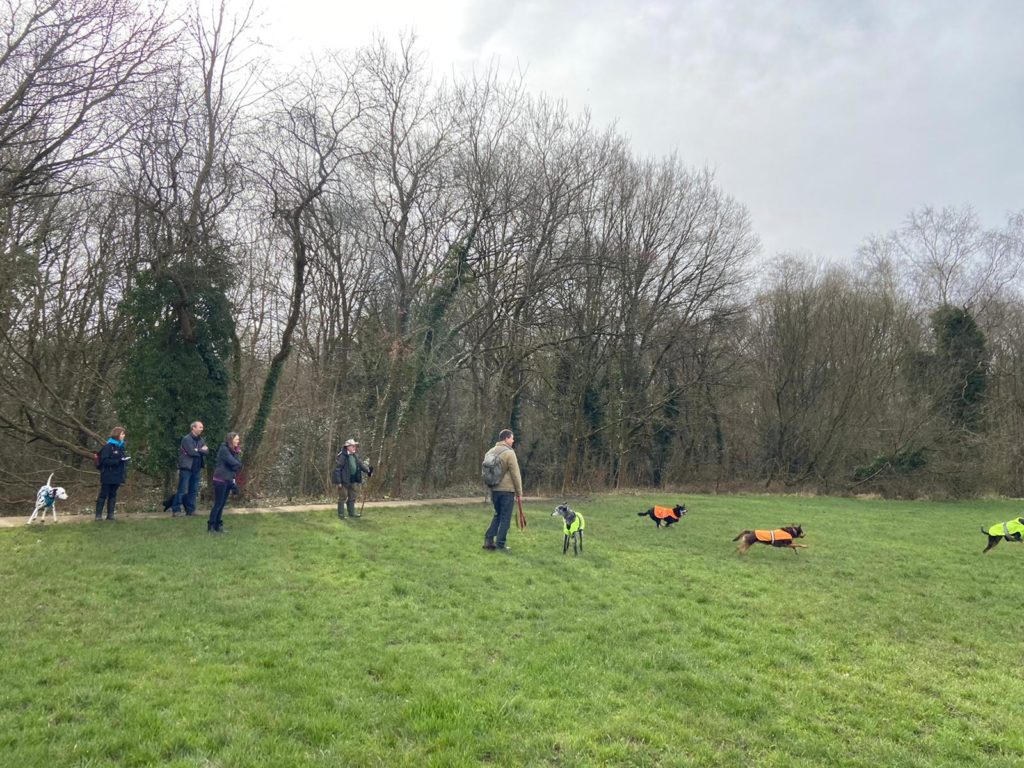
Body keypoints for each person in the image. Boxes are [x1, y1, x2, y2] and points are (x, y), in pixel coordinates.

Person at [482, 429, 523, 552]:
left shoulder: (489, 451)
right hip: (507, 491)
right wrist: (519, 493)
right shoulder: (509, 453)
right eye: (512, 438)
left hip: (494, 489)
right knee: (505, 517)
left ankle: (489, 540)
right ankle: (500, 544)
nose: (513, 440)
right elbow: (516, 474)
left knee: (498, 514)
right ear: (506, 439)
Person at [170, 421, 209, 517]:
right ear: (193, 428)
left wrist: (198, 450)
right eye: (200, 427)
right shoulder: (186, 439)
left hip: (196, 468)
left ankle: (190, 510)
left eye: (202, 427)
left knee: (193, 490)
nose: (202, 429)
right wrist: (201, 450)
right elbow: (191, 452)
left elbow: (207, 451)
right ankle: (176, 510)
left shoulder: (201, 440)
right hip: (187, 468)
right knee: (182, 489)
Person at [208, 432, 242, 534]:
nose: (238, 441)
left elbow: (238, 465)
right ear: (231, 440)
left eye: (238, 439)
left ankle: (218, 525)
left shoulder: (234, 451)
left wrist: (236, 465)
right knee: (218, 504)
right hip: (220, 480)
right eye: (236, 439)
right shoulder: (224, 450)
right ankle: (211, 527)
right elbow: (234, 463)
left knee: (222, 504)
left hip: (228, 480)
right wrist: (236, 465)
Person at [95, 427, 130, 521]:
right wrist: (117, 461)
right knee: (103, 494)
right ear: (117, 435)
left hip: (118, 474)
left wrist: (125, 461)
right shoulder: (108, 446)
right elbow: (104, 460)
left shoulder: (122, 447)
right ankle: (98, 515)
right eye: (122, 434)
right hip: (108, 474)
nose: (124, 436)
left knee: (113, 494)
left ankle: (110, 515)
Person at [332, 438, 372, 519]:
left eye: (355, 446)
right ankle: (341, 515)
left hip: (353, 480)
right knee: (342, 497)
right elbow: (337, 470)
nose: (355, 448)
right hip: (343, 481)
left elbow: (360, 465)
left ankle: (352, 513)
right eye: (353, 446)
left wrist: (368, 471)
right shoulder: (342, 456)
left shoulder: (355, 456)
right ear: (348, 447)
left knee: (352, 497)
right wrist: (338, 482)